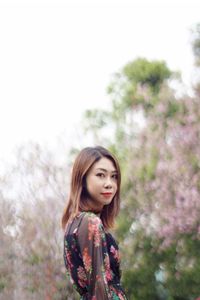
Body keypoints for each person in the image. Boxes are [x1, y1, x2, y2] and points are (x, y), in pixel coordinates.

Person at [62, 146, 128, 299]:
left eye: (114, 176)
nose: (109, 183)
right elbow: (98, 286)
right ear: (82, 179)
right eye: (100, 175)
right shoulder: (90, 222)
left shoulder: (75, 223)